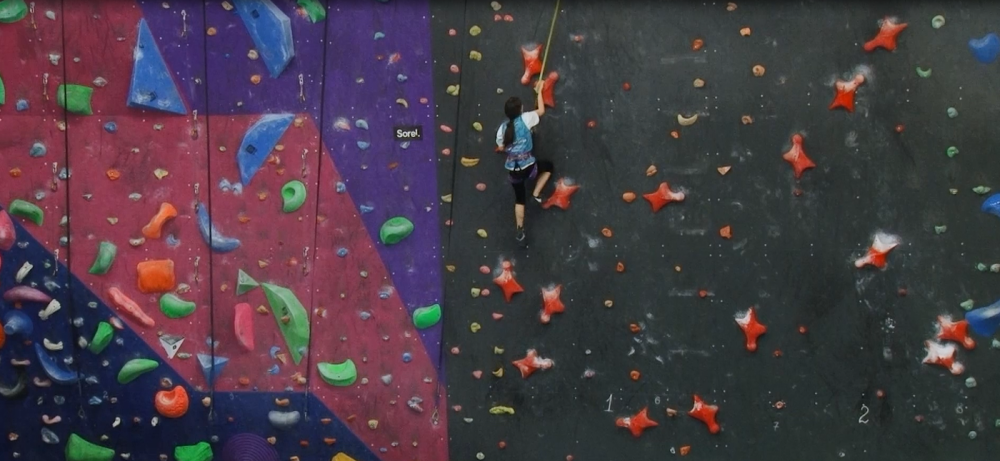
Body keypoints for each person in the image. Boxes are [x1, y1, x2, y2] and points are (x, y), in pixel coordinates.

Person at [496, 80, 553, 243]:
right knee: (548, 167)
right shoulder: (526, 118)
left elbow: (501, 146)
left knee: (519, 198)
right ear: (520, 110)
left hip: (513, 171)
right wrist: (539, 92)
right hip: (528, 166)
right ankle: (536, 193)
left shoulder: (502, 129)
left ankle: (520, 229)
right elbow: (541, 110)